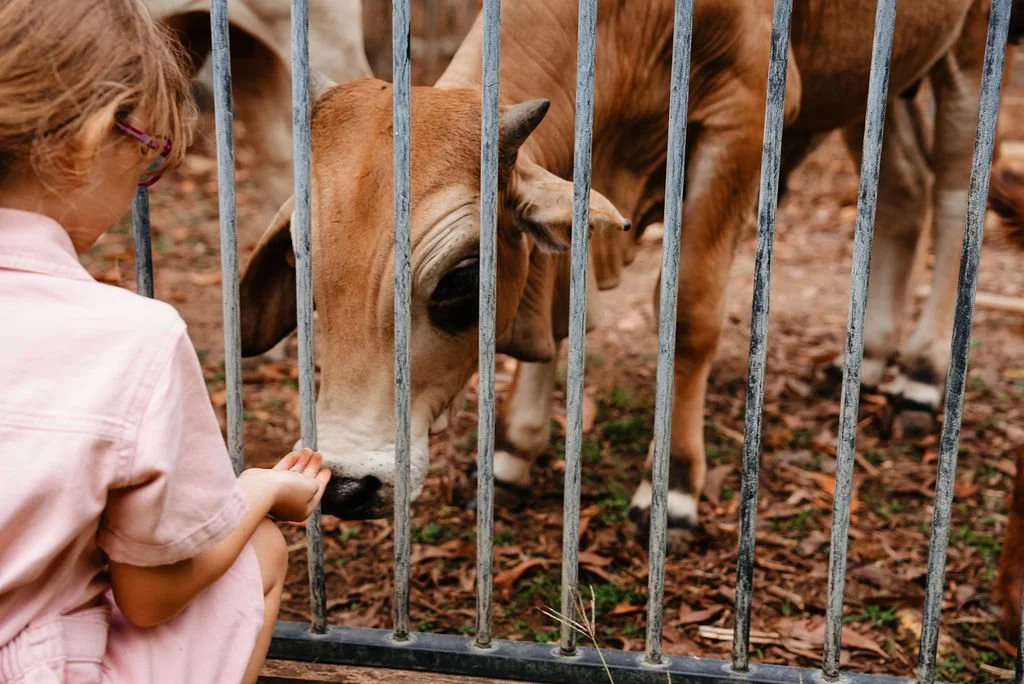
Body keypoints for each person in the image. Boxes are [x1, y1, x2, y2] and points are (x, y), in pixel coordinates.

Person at [0, 1, 331, 682]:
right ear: (89, 143)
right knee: (257, 551)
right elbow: (152, 597)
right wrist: (260, 490)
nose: (139, 186)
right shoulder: (129, 338)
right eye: (147, 160)